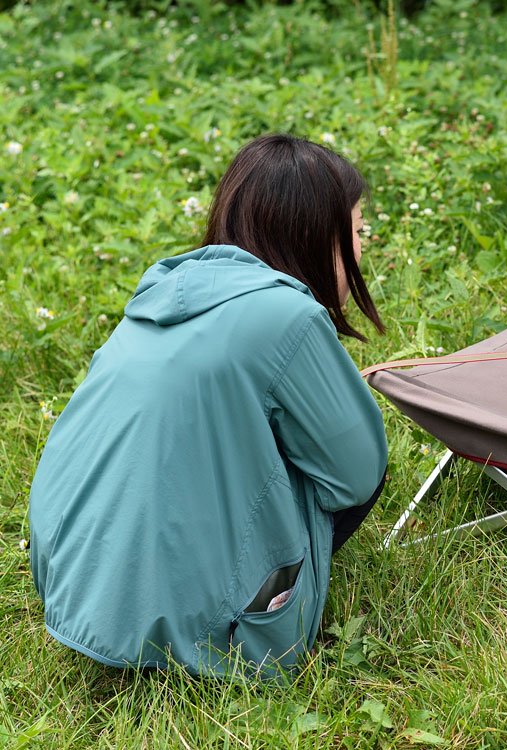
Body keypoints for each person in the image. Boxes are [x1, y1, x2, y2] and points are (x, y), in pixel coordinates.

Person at [28, 133, 388, 678]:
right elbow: (357, 475)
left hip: (68, 582)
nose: (364, 246)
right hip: (199, 634)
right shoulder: (288, 317)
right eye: (358, 231)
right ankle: (232, 616)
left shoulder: (162, 293)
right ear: (317, 234)